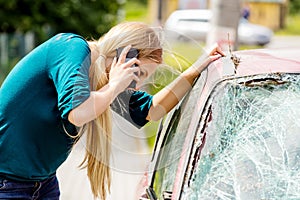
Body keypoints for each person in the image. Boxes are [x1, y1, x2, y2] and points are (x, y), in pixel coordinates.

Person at [0, 22, 225, 200]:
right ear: (125, 55)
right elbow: (77, 112)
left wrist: (197, 68)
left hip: (43, 183)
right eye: (139, 74)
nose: (135, 86)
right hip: (7, 183)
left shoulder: (103, 80)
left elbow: (152, 111)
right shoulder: (70, 48)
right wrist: (114, 86)